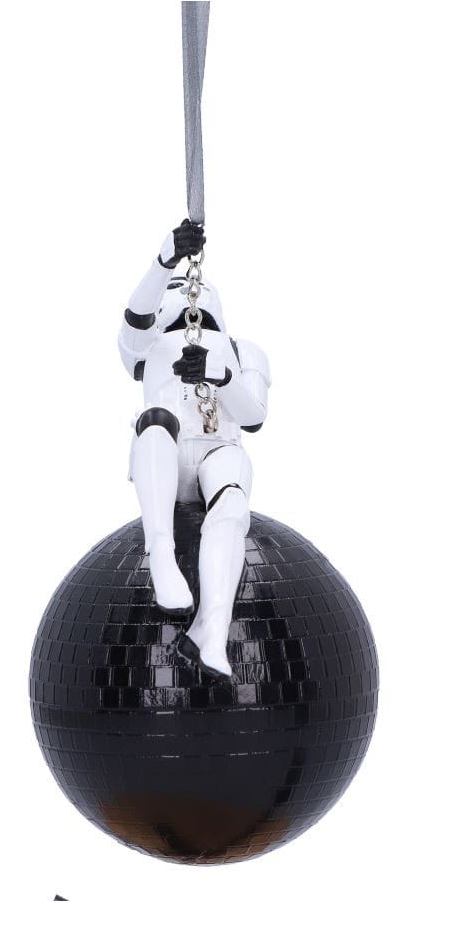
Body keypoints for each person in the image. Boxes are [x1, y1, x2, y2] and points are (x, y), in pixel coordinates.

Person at [118, 221, 271, 678]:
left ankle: (212, 627)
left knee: (233, 500)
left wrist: (220, 375)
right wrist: (164, 259)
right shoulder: (149, 345)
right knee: (154, 422)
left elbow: (253, 417)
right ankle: (162, 556)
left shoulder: (242, 352)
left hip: (218, 451)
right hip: (163, 454)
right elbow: (134, 322)